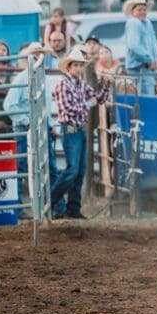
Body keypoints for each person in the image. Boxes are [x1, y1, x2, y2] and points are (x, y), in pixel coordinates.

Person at [49, 49, 112, 220]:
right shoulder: (63, 85)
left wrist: (106, 86)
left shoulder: (81, 85)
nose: (78, 68)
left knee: (79, 172)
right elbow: (68, 108)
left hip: (79, 130)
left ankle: (73, 209)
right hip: (70, 129)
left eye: (80, 65)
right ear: (69, 67)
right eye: (75, 65)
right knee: (72, 171)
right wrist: (88, 104)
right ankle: (51, 200)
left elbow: (98, 98)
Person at [3, 43, 57, 208]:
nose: (39, 57)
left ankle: (54, 205)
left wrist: (50, 124)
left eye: (41, 54)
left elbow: (45, 106)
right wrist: (26, 121)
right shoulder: (22, 78)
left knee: (49, 167)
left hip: (42, 127)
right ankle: (19, 206)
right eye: (35, 54)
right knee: (22, 167)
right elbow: (9, 105)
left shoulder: (43, 78)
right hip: (25, 128)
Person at [123, 0, 157, 95]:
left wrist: (155, 58)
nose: (142, 12)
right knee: (144, 97)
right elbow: (134, 45)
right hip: (138, 68)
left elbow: (153, 43)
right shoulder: (133, 23)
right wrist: (150, 59)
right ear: (132, 11)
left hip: (147, 67)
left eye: (144, 10)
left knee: (148, 96)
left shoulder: (148, 23)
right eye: (139, 10)